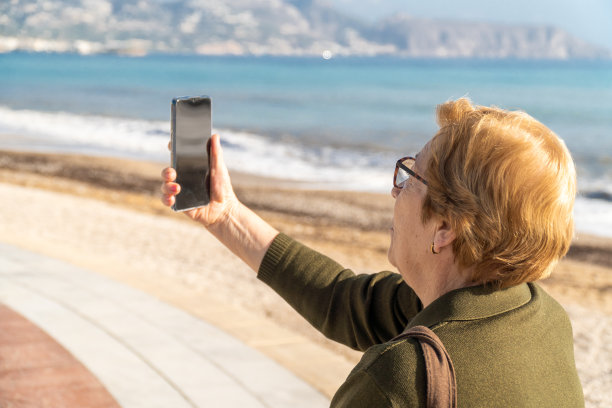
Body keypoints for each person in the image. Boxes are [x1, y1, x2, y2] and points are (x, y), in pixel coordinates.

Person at [160, 98, 584, 407]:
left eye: (409, 176)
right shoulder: (542, 316)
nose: (394, 191)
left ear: (445, 228)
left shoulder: (400, 379)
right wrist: (227, 215)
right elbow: (345, 302)